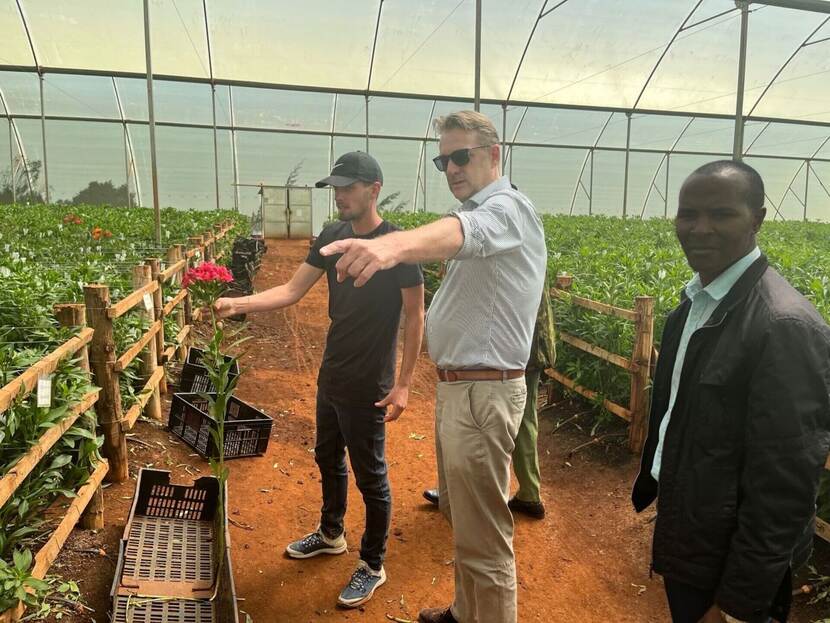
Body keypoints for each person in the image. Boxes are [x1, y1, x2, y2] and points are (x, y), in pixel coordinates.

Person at [319, 111, 547, 623]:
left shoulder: (507, 208)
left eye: (460, 156)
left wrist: (389, 245)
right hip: (462, 390)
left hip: (484, 394)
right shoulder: (477, 210)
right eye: (444, 159)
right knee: (463, 520)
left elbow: (461, 231)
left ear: (493, 155)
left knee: (486, 535)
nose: (451, 167)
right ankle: (466, 612)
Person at [214, 151, 425, 609]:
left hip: (371, 382)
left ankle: (373, 563)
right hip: (333, 372)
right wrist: (240, 303)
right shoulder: (331, 236)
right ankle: (332, 533)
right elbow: (292, 290)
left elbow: (414, 315)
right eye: (335, 188)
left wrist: (404, 383)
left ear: (374, 188)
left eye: (348, 187)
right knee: (327, 455)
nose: (340, 196)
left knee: (372, 476)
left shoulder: (397, 247)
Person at [631, 160, 830, 623]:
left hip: (731, 556)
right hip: (694, 528)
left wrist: (736, 606)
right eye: (688, 214)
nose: (700, 228)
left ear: (757, 219)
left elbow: (783, 486)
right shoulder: (691, 308)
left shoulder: (783, 325)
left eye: (721, 214)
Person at [423, 284, 557, 519]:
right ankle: (529, 492)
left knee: (484, 420)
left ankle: (464, 495)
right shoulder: (529, 253)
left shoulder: (510, 255)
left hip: (513, 352)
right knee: (524, 421)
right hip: (530, 348)